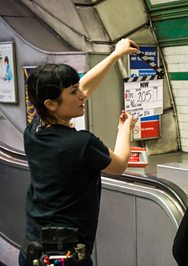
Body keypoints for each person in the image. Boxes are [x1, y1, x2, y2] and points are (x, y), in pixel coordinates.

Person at [19, 38, 139, 266]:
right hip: (66, 258)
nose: (82, 95)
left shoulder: (34, 130)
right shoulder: (80, 143)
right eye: (73, 92)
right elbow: (120, 164)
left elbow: (85, 87)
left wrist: (115, 55)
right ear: (51, 104)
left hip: (32, 250)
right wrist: (125, 129)